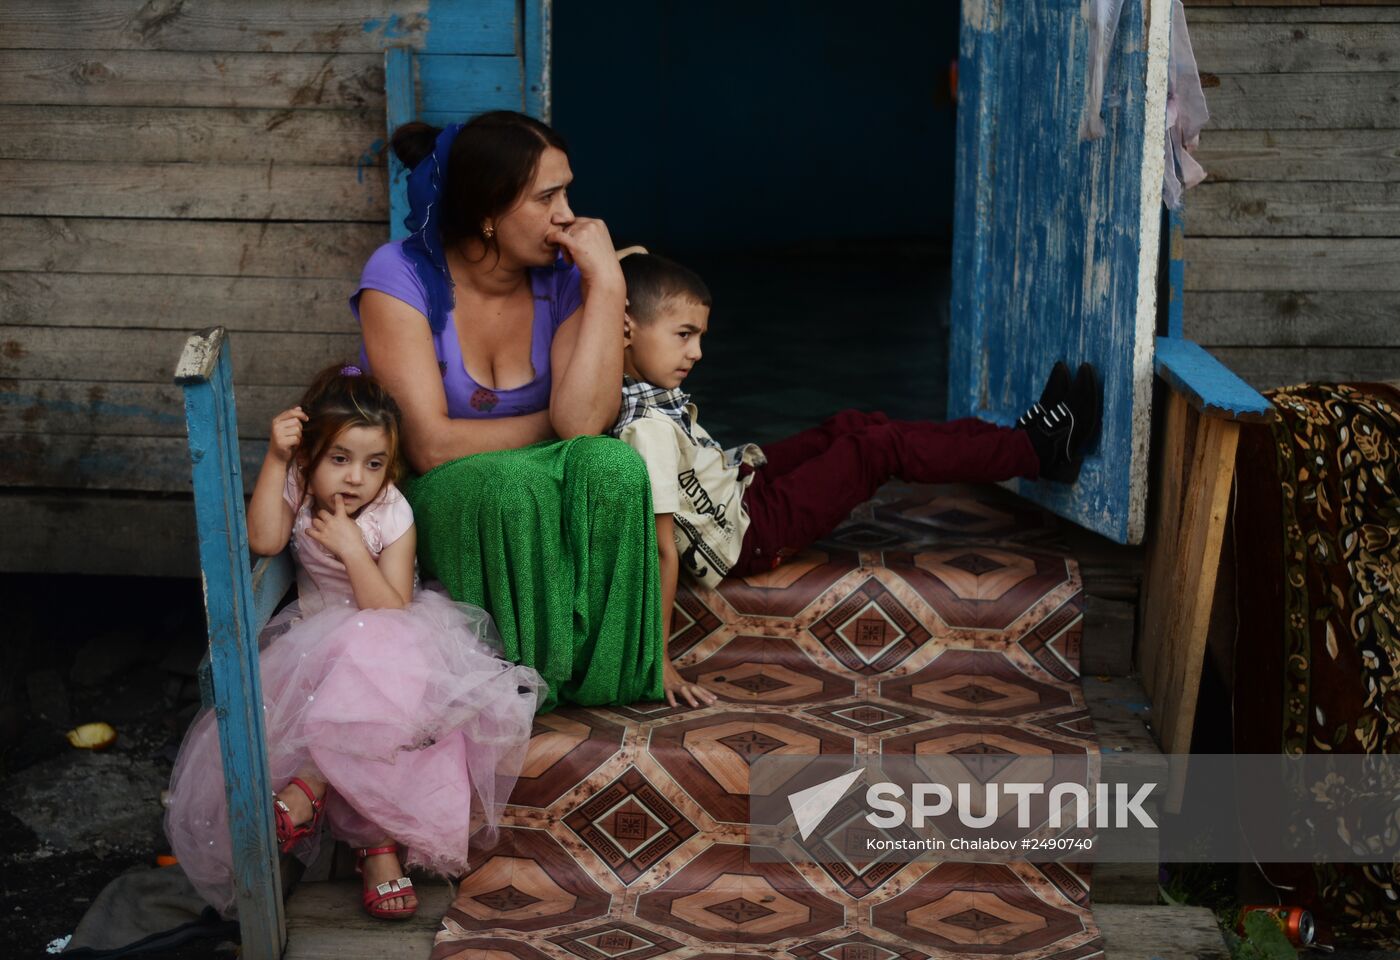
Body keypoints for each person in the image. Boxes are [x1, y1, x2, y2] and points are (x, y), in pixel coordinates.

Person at [611, 252, 1101, 706]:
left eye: (700, 336)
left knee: (851, 425)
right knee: (876, 448)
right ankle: (1036, 450)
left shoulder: (639, 389)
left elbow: (632, 261)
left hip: (743, 484)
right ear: (628, 328)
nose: (696, 352)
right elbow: (661, 550)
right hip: (755, 534)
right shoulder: (647, 432)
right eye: (684, 334)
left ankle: (1021, 440)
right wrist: (662, 663)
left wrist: (608, 280)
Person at [165, 364, 542, 921]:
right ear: (309, 457)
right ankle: (376, 852)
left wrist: (351, 548)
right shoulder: (295, 481)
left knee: (378, 678)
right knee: (354, 695)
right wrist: (275, 458)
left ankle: (317, 790)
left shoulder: (393, 511)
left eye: (373, 464)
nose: (355, 477)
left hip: (396, 634)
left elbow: (389, 605)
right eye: (338, 459)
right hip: (318, 638)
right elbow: (266, 537)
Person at [353, 111, 671, 710]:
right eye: (547, 196)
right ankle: (525, 686)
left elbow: (584, 426)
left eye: (567, 190)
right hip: (441, 493)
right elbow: (429, 447)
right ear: (486, 214)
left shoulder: (568, 279)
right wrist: (554, 424)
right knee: (509, 483)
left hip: (530, 474)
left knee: (614, 468)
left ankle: (604, 685)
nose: (567, 214)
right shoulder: (400, 276)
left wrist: (606, 282)